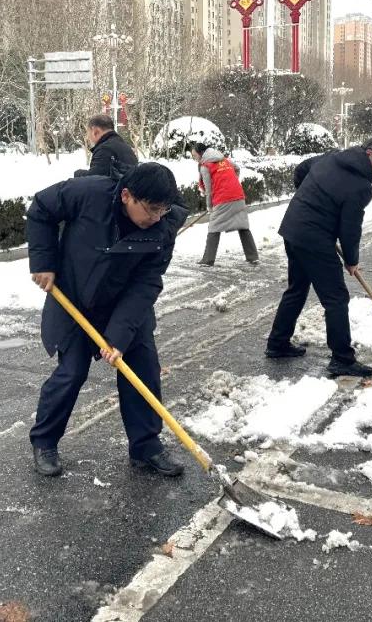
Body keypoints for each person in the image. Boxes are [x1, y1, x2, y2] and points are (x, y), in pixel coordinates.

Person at [27, 162, 188, 478]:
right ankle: (44, 441)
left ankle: (146, 446)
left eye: (163, 211)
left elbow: (147, 282)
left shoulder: (162, 230)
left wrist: (118, 336)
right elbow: (42, 208)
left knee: (142, 367)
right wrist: (44, 261)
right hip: (73, 295)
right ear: (127, 195)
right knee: (71, 372)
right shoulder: (89, 194)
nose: (157, 218)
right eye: (152, 209)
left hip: (125, 302)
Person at [265, 136, 372, 378]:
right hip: (314, 238)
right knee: (336, 298)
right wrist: (351, 259)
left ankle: (277, 343)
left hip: (293, 228)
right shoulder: (361, 187)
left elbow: (301, 170)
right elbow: (349, 228)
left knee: (297, 288)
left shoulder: (332, 158)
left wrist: (309, 198)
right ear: (371, 154)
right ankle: (342, 360)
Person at [190, 142, 259, 266]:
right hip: (238, 195)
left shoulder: (205, 166)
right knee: (243, 225)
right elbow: (237, 168)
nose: (194, 159)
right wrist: (231, 182)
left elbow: (209, 189)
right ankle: (253, 257)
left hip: (223, 198)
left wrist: (209, 206)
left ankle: (208, 260)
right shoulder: (224, 160)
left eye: (195, 156)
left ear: (201, 154)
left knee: (213, 227)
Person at [74, 114, 138, 179]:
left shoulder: (105, 150)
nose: (88, 137)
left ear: (95, 131)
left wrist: (78, 174)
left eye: (88, 133)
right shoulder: (124, 145)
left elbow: (95, 180)